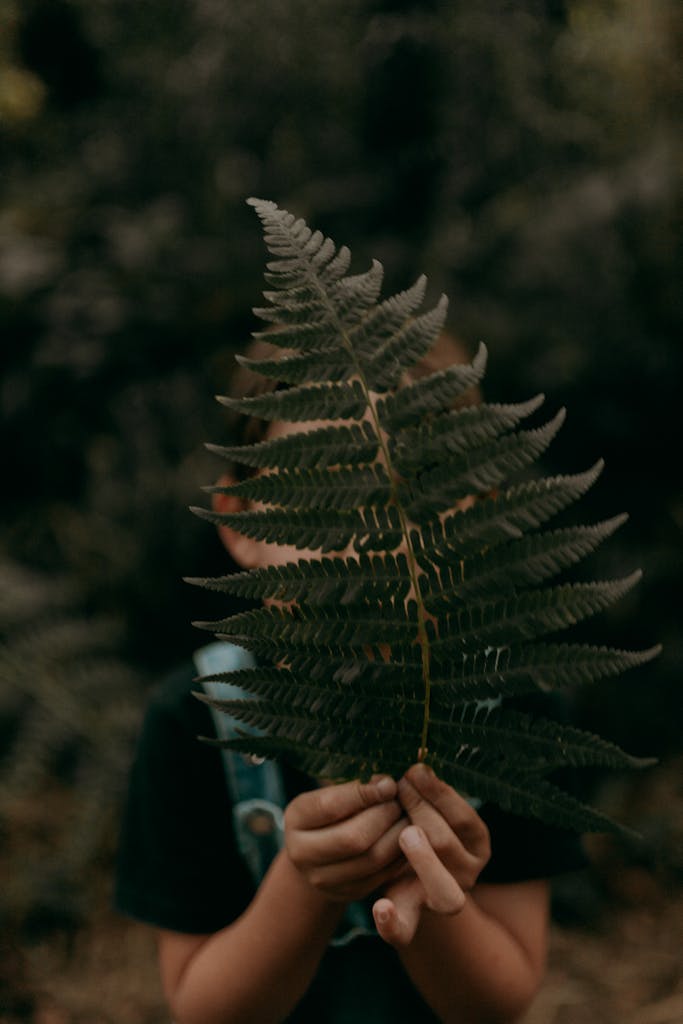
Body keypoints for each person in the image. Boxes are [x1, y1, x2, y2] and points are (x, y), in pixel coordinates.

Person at [115, 334, 586, 1024]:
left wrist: (415, 877)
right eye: (324, 491)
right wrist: (307, 882)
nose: (372, 542)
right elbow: (201, 1008)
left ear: (478, 522)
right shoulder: (193, 719)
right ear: (239, 520)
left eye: (416, 495)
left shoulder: (514, 705)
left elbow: (500, 1000)